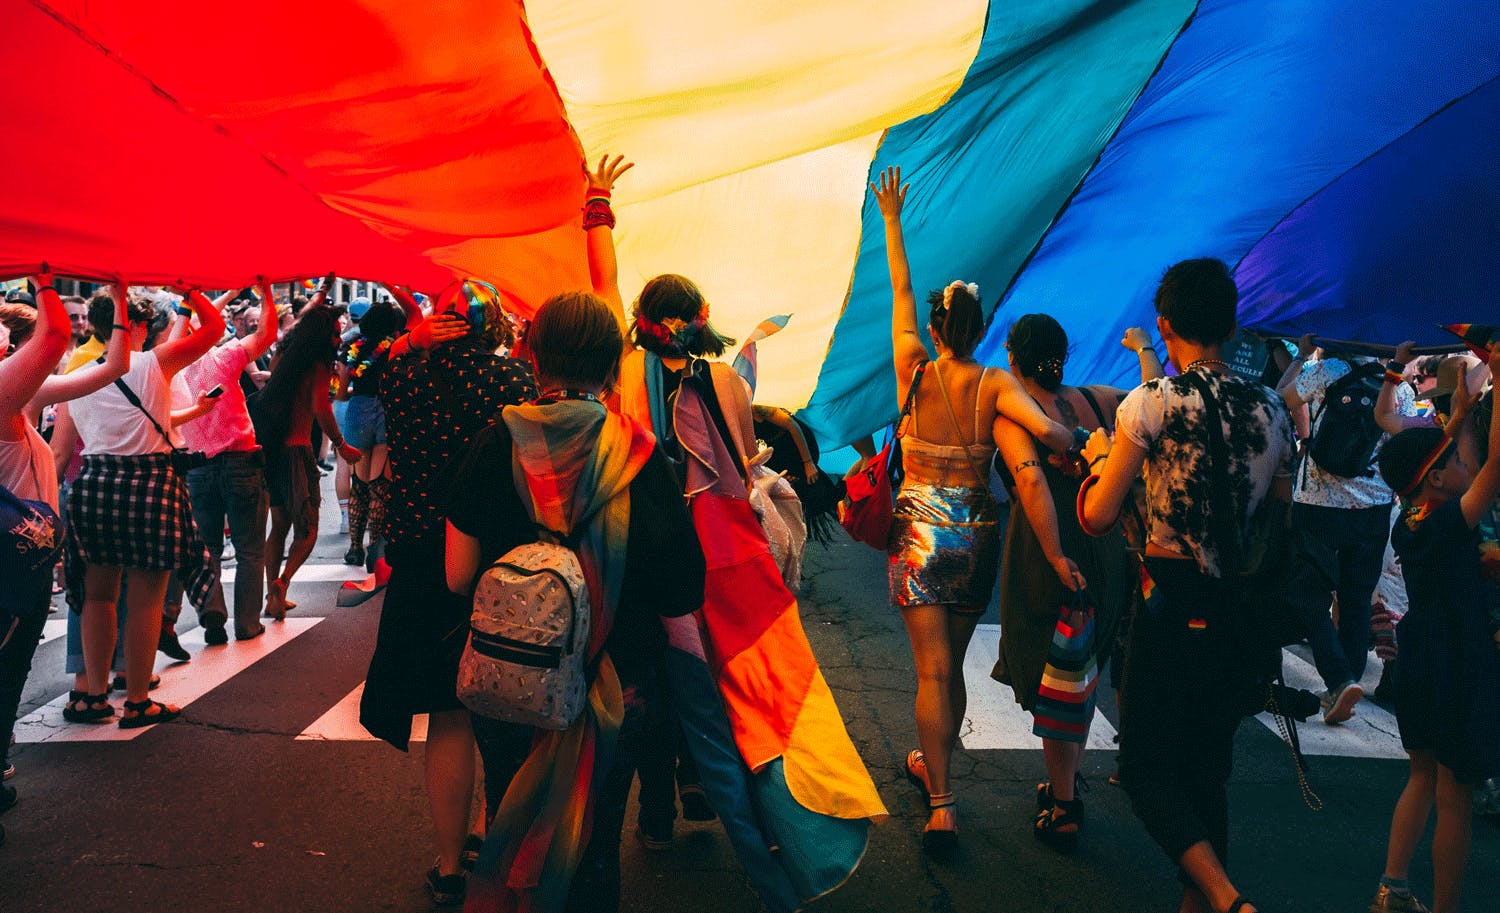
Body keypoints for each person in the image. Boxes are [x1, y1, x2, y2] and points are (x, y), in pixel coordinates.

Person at [445, 290, 704, 912]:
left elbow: (458, 576)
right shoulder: (641, 459)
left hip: (509, 681)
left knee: (512, 811)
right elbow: (681, 591)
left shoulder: (493, 443)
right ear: (615, 368)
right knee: (594, 841)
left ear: (534, 361)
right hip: (614, 687)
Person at [1080, 258, 1295, 913]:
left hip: (1170, 603)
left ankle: (1229, 899)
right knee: (1208, 774)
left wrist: (1095, 464)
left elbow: (1099, 515)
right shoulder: (1273, 409)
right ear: (1230, 326)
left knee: (1146, 768)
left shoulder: (1152, 403)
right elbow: (1279, 515)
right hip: (1241, 609)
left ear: (1164, 325)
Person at [870, 166, 1073, 853]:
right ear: (983, 328)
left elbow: (898, 288)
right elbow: (1047, 433)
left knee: (928, 672)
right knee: (949, 669)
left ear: (936, 324)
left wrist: (893, 220)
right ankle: (936, 769)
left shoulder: (913, 366)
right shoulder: (995, 382)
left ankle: (943, 802)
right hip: (976, 530)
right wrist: (1082, 442)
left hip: (919, 525)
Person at [358, 278, 537, 904]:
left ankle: (449, 865)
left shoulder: (404, 377)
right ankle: (492, 835)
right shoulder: (515, 383)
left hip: (421, 556)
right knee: (504, 702)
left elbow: (360, 368)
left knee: (449, 712)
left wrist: (408, 339)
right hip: (497, 557)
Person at [990, 312, 1135, 853]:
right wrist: (1144, 350)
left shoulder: (1014, 417)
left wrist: (1052, 554)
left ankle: (1065, 802)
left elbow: (1030, 483)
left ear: (1013, 358)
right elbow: (1152, 399)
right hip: (1104, 544)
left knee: (1053, 673)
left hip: (1046, 553)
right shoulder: (1099, 401)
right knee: (1080, 668)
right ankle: (1060, 783)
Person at [1368, 345, 1500, 913]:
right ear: (1436, 480)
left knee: (1421, 776)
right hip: (1456, 660)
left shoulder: (1415, 521)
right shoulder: (1449, 523)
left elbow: (1466, 461)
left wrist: (1463, 415)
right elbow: (1495, 466)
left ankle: (1392, 886)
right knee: (1456, 796)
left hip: (1420, 655)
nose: (1463, 465)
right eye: (1453, 461)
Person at [65, 284, 226, 727]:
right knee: (145, 600)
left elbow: (66, 449)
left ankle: (93, 697)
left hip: (94, 482)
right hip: (151, 482)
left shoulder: (77, 374)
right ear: (133, 325)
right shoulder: (156, 362)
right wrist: (186, 289)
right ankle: (137, 699)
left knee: (97, 597)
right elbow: (215, 328)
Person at [1275, 334, 1410, 724]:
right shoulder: (1396, 383)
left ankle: (1340, 680)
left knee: (1307, 593)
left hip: (1319, 503)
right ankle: (1346, 684)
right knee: (1355, 598)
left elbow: (1282, 398)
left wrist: (1301, 354)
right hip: (1373, 506)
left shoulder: (1326, 370)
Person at [0, 268, 70, 836]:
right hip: (7, 569)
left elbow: (113, 371)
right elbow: (54, 340)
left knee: (11, 668)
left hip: (22, 564)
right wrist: (45, 274)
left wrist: (119, 300)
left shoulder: (17, 401)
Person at [177, 280, 280, 643]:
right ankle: (247, 624)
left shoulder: (169, 370)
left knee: (209, 550)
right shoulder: (225, 356)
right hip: (241, 462)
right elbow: (267, 333)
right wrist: (265, 292)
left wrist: (206, 299)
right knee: (250, 548)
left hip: (197, 468)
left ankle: (213, 612)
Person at [255, 304, 361, 620]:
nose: (340, 335)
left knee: (279, 525)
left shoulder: (282, 357)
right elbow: (321, 408)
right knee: (309, 529)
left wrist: (323, 294)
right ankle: (282, 583)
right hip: (297, 453)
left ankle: (271, 596)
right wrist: (341, 445)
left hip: (271, 452)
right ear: (323, 334)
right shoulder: (317, 365)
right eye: (336, 330)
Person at [335, 299, 403, 567]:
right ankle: (375, 548)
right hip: (386, 412)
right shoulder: (396, 350)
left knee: (359, 485)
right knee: (379, 487)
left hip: (359, 411)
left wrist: (354, 391)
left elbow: (340, 394)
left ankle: (354, 548)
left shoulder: (352, 350)